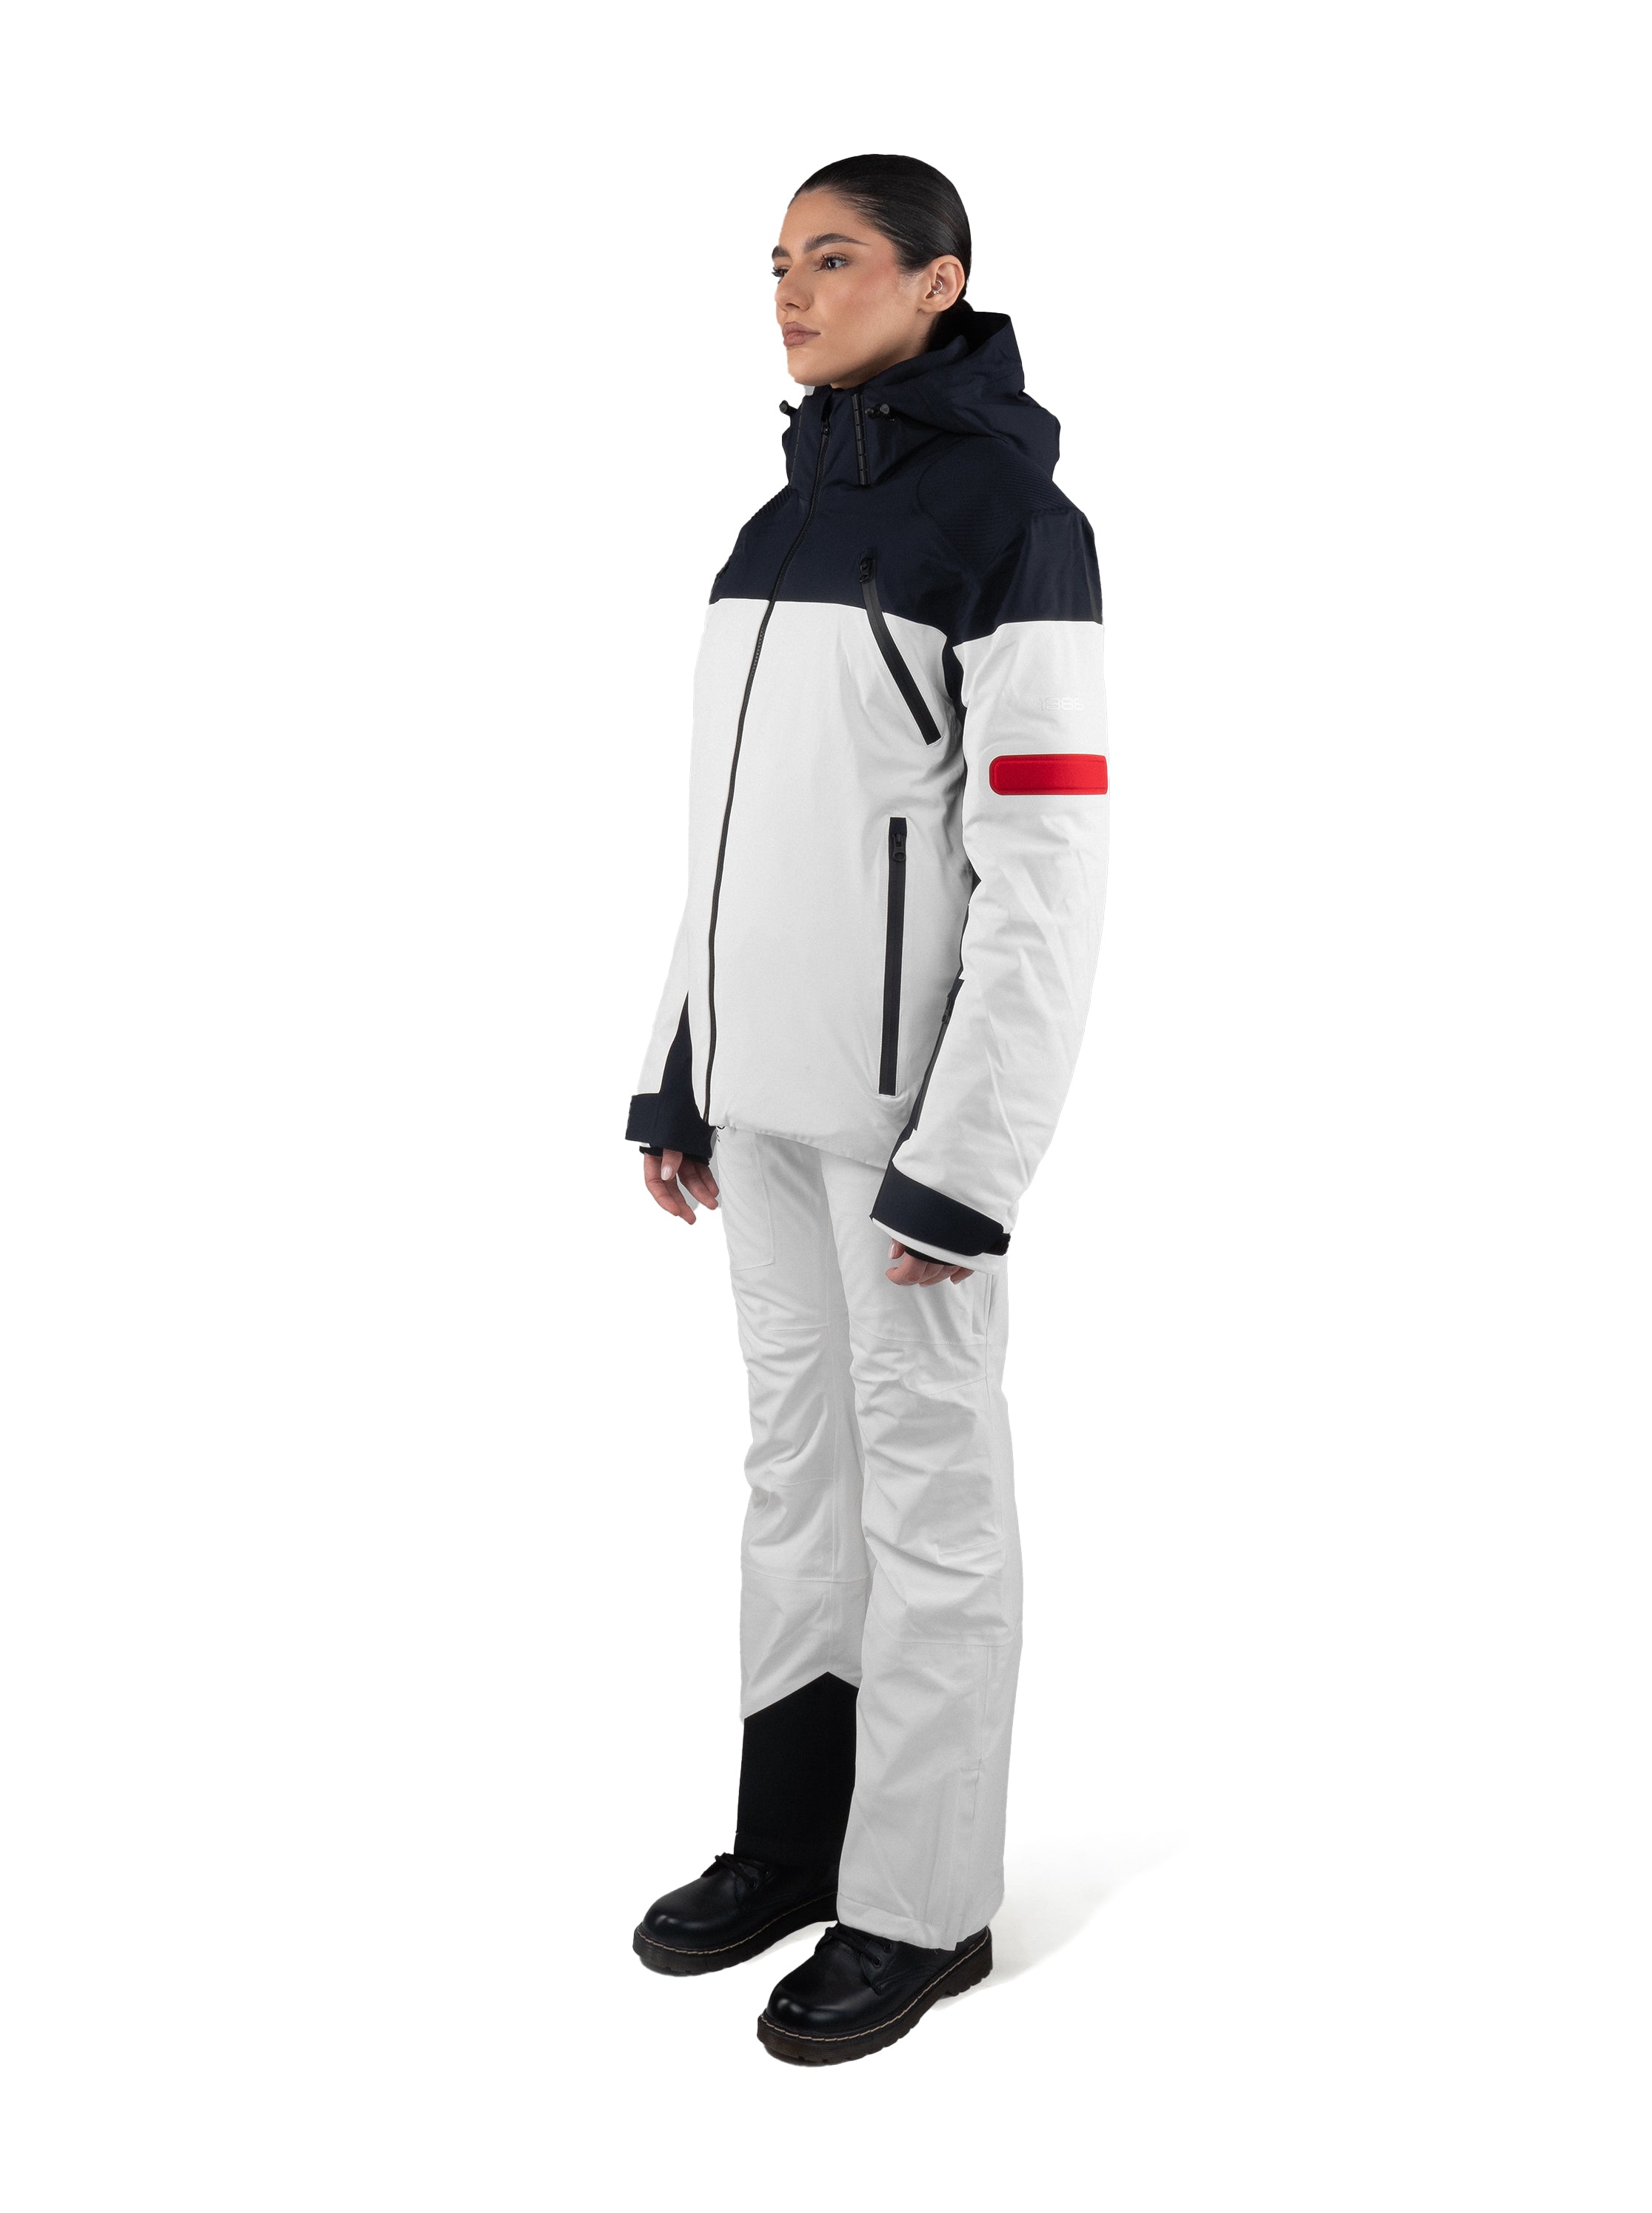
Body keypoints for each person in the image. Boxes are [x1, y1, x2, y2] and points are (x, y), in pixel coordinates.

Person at [624, 154, 1108, 2066]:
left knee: (931, 1499)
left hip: (908, 1131)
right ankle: (791, 1843)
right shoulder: (773, 526)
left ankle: (920, 1904)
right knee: (794, 1481)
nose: (793, 294)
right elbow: (733, 848)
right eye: (778, 263)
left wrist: (968, 1164)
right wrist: (682, 1063)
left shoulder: (1017, 527)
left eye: (834, 259)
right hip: (760, 1108)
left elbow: (1047, 871)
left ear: (940, 281)